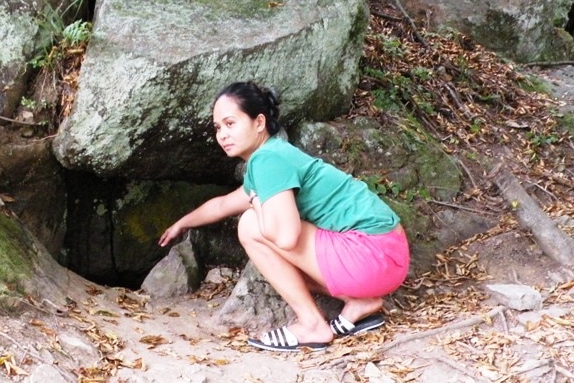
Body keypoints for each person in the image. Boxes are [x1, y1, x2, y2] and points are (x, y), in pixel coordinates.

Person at [158, 81, 410, 352]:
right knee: (270, 241)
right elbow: (222, 205)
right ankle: (360, 301)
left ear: (259, 122)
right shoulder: (273, 156)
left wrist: (257, 205)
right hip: (389, 256)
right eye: (218, 127)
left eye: (230, 123)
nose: (222, 135)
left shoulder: (268, 160)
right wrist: (182, 223)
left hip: (370, 255)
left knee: (250, 225)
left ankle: (312, 325)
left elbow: (287, 237)